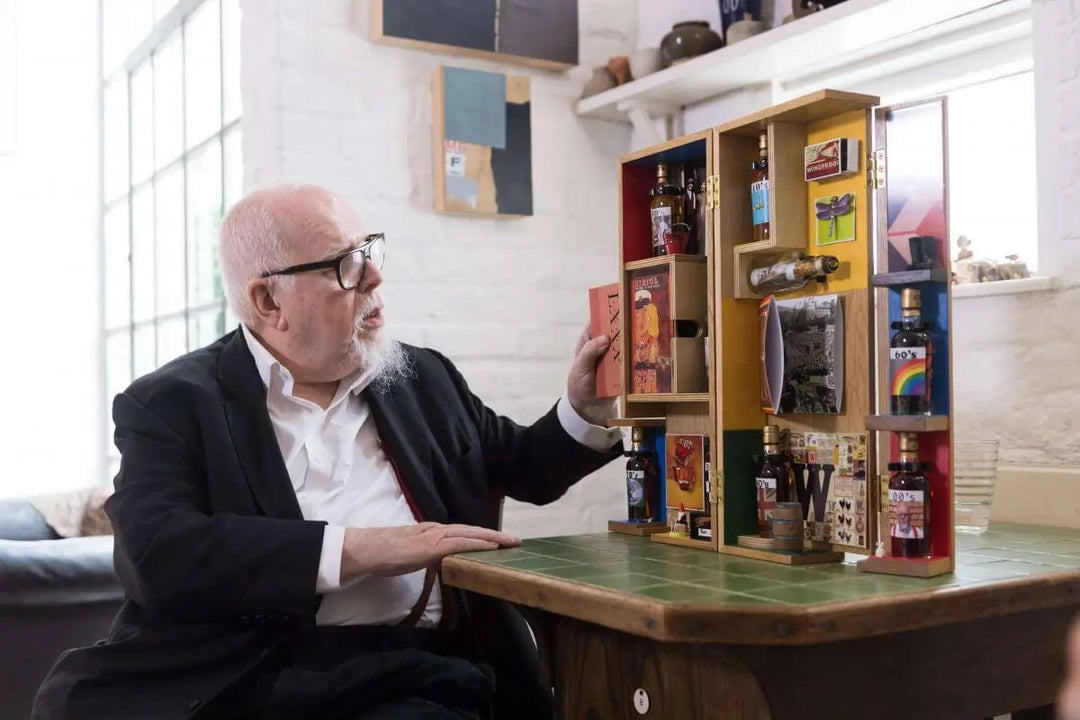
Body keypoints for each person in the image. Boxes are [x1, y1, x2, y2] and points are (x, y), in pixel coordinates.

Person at [33, 184, 623, 720]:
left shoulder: (422, 377)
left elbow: (524, 466)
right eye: (345, 264)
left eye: (370, 250)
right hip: (253, 672)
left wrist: (583, 407)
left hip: (419, 667)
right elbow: (158, 555)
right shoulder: (172, 403)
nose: (374, 277)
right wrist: (358, 549)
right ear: (269, 301)